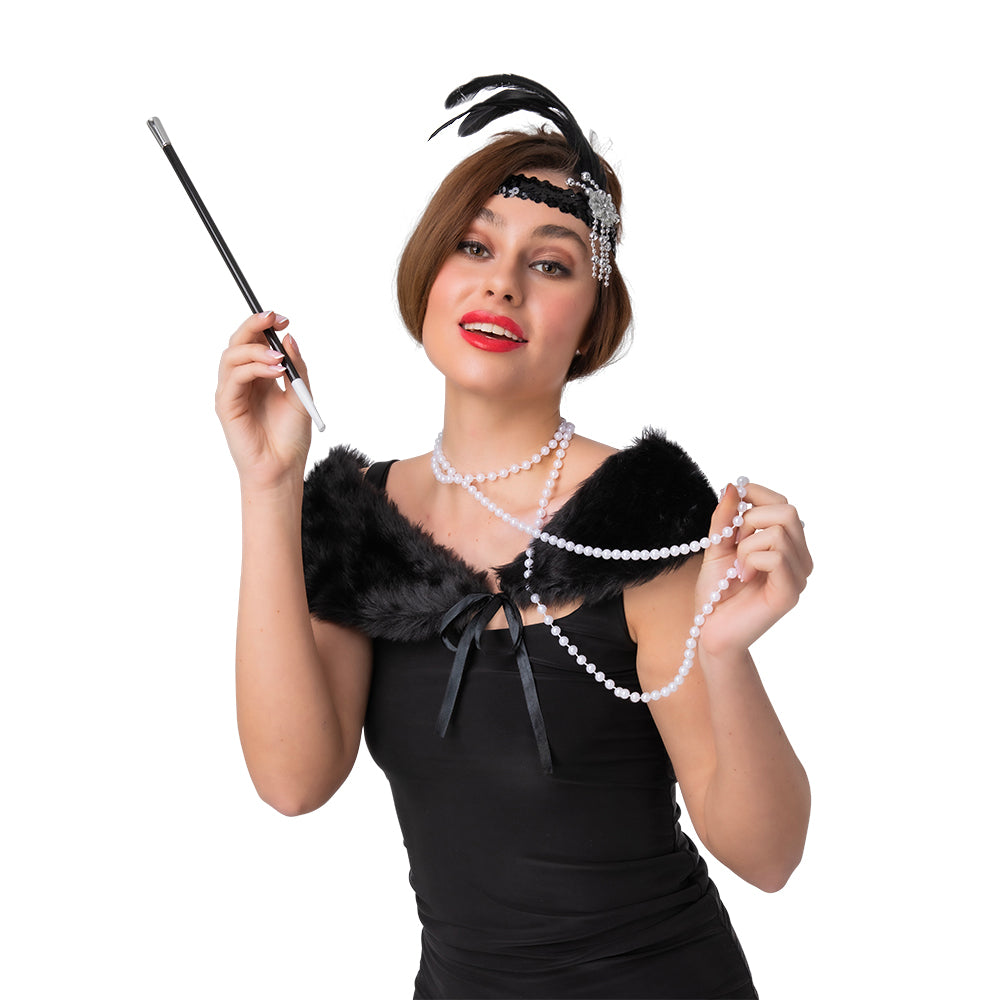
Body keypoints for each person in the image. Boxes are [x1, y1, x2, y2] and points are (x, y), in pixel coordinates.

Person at [215, 76, 811, 1000]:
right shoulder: (353, 520)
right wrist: (268, 486)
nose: (501, 279)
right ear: (429, 276)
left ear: (589, 323)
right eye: (474, 245)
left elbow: (768, 856)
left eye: (552, 262)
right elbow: (294, 781)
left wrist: (724, 654)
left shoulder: (642, 515)